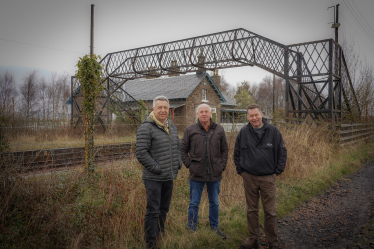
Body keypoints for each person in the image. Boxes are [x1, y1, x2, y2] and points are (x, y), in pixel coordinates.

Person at [234, 104, 287, 249]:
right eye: (251, 116)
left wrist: (277, 171)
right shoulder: (243, 132)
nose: (254, 118)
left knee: (270, 211)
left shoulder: (273, 131)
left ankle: (273, 242)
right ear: (247, 117)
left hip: (268, 177)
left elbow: (282, 152)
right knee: (252, 210)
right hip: (249, 177)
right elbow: (236, 153)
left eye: (256, 115)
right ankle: (253, 238)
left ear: (261, 114)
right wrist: (241, 171)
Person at [136, 96, 182, 249]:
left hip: (169, 176)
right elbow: (141, 152)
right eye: (159, 107)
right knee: (153, 210)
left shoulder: (171, 126)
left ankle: (160, 234)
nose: (163, 110)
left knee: (164, 208)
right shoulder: (146, 127)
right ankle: (151, 242)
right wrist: (157, 168)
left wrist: (177, 164)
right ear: (153, 109)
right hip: (154, 178)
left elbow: (177, 146)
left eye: (165, 108)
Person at [181, 103, 228, 239]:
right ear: (197, 114)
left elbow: (224, 149)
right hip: (196, 175)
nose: (204, 114)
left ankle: (214, 227)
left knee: (214, 202)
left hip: (215, 174)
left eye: (206, 111)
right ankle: (191, 229)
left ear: (211, 113)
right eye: (201, 112)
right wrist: (189, 165)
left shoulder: (219, 129)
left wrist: (222, 165)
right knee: (194, 203)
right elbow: (183, 150)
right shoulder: (190, 130)